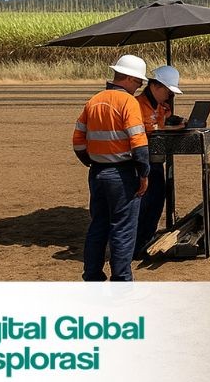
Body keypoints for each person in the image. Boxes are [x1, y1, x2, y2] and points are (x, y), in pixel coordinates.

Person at [72, 54, 150, 281]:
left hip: (97, 172)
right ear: (127, 78)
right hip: (123, 173)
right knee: (123, 230)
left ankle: (92, 276)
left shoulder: (93, 101)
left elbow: (78, 141)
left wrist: (91, 162)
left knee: (98, 227)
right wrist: (144, 173)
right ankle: (122, 281)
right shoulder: (129, 103)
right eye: (138, 82)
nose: (139, 87)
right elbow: (138, 142)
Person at [134, 65, 184, 255]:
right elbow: (145, 129)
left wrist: (172, 118)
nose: (169, 95)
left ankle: (146, 239)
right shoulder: (137, 104)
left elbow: (161, 122)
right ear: (156, 86)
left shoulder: (161, 106)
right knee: (144, 203)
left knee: (157, 200)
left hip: (156, 162)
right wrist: (168, 128)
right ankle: (136, 244)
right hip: (142, 162)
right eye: (168, 91)